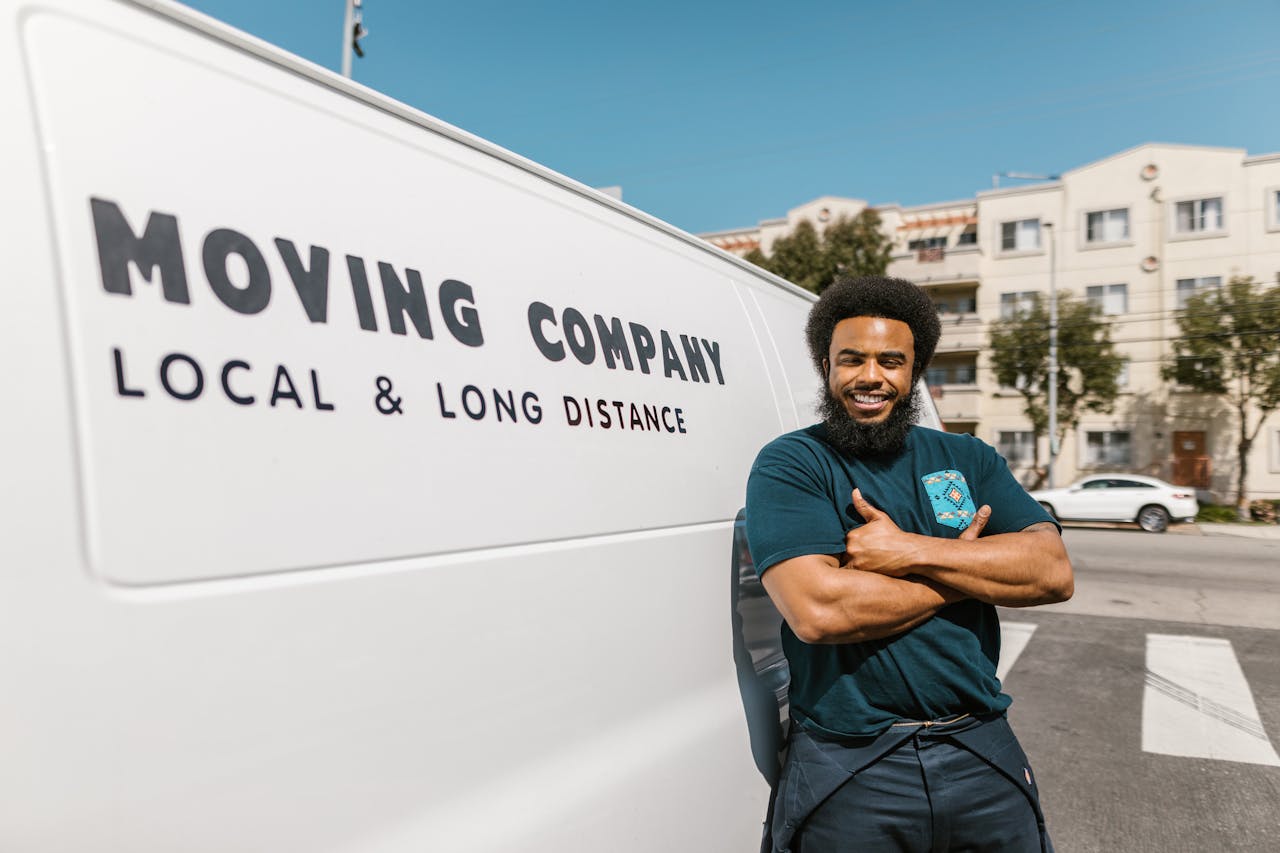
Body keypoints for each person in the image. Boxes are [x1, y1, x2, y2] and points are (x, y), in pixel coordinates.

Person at [744, 275, 1074, 853]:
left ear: (915, 371)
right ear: (827, 365)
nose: (871, 376)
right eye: (852, 359)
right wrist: (970, 570)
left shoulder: (966, 457)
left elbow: (1051, 571)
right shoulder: (793, 463)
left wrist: (911, 552)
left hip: (980, 747)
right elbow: (820, 610)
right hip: (853, 763)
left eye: (891, 361)